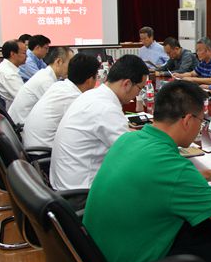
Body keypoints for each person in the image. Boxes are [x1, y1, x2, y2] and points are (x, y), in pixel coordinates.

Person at [83, 80, 211, 262]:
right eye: (202, 121)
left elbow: (156, 180)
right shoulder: (175, 168)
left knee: (198, 227)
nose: (201, 127)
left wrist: (208, 175)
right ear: (187, 120)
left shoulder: (129, 138)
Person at [49, 54, 149, 191]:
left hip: (65, 182)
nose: (138, 94)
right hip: (81, 193)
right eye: (140, 88)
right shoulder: (106, 108)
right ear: (126, 84)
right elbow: (133, 154)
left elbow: (120, 136)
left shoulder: (93, 95)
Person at [22, 53, 100, 149]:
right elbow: (94, 126)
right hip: (43, 152)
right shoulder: (74, 98)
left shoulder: (59, 86)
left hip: (32, 144)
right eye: (97, 75)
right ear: (90, 80)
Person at [8, 46, 73, 124]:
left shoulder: (46, 74)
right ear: (58, 61)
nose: (72, 68)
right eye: (70, 64)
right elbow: (59, 110)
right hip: (21, 125)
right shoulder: (46, 81)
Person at [0, 39, 26, 109]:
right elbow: (25, 98)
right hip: (14, 111)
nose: (27, 56)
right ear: (12, 54)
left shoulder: (6, 68)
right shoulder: (8, 73)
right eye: (24, 53)